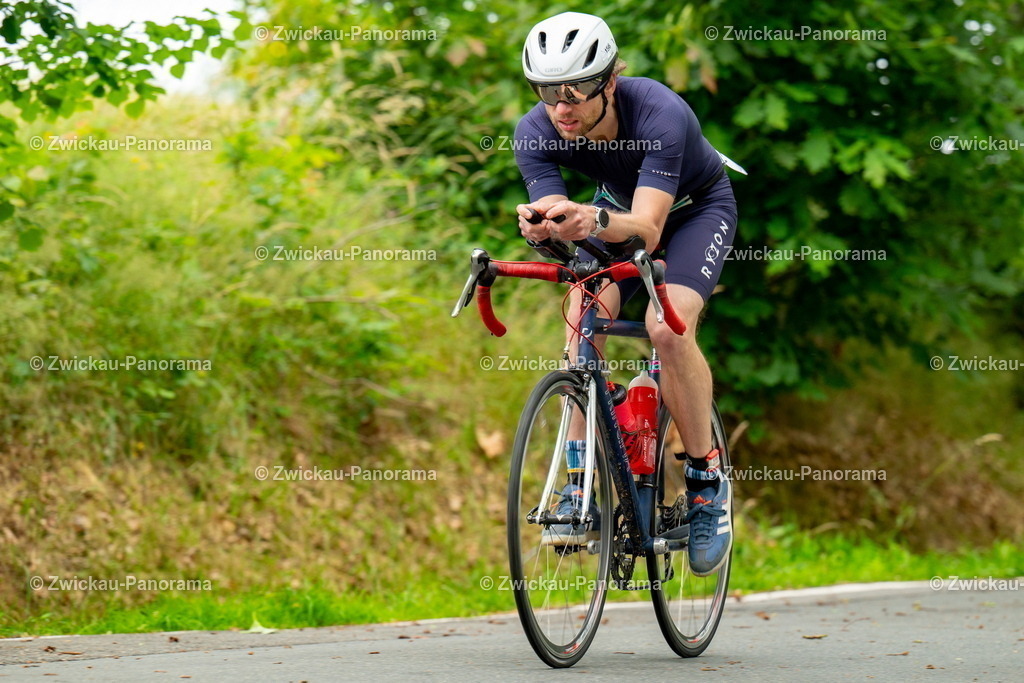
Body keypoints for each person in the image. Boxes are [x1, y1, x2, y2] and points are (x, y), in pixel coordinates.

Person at [514, 12, 741, 576]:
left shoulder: (660, 111)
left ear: (609, 81)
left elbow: (646, 231)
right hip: (612, 213)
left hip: (693, 214)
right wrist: (543, 229)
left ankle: (706, 480)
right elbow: (561, 224)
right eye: (546, 90)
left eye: (575, 89)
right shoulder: (534, 132)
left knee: (668, 326)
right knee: (581, 308)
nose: (561, 106)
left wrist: (590, 218)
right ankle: (578, 479)